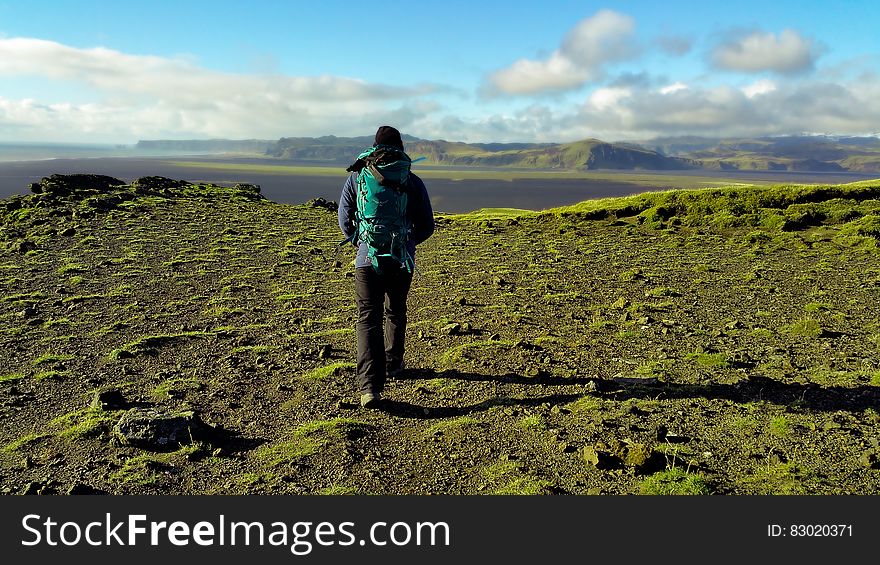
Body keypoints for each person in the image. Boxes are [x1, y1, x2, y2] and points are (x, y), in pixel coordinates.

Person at [338, 126, 435, 408]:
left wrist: (362, 241)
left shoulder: (358, 177)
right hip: (401, 259)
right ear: (401, 147)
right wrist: (407, 242)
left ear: (374, 147)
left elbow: (345, 221)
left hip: (367, 260)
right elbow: (427, 225)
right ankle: (394, 363)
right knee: (396, 309)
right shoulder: (412, 180)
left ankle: (369, 387)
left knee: (368, 318)